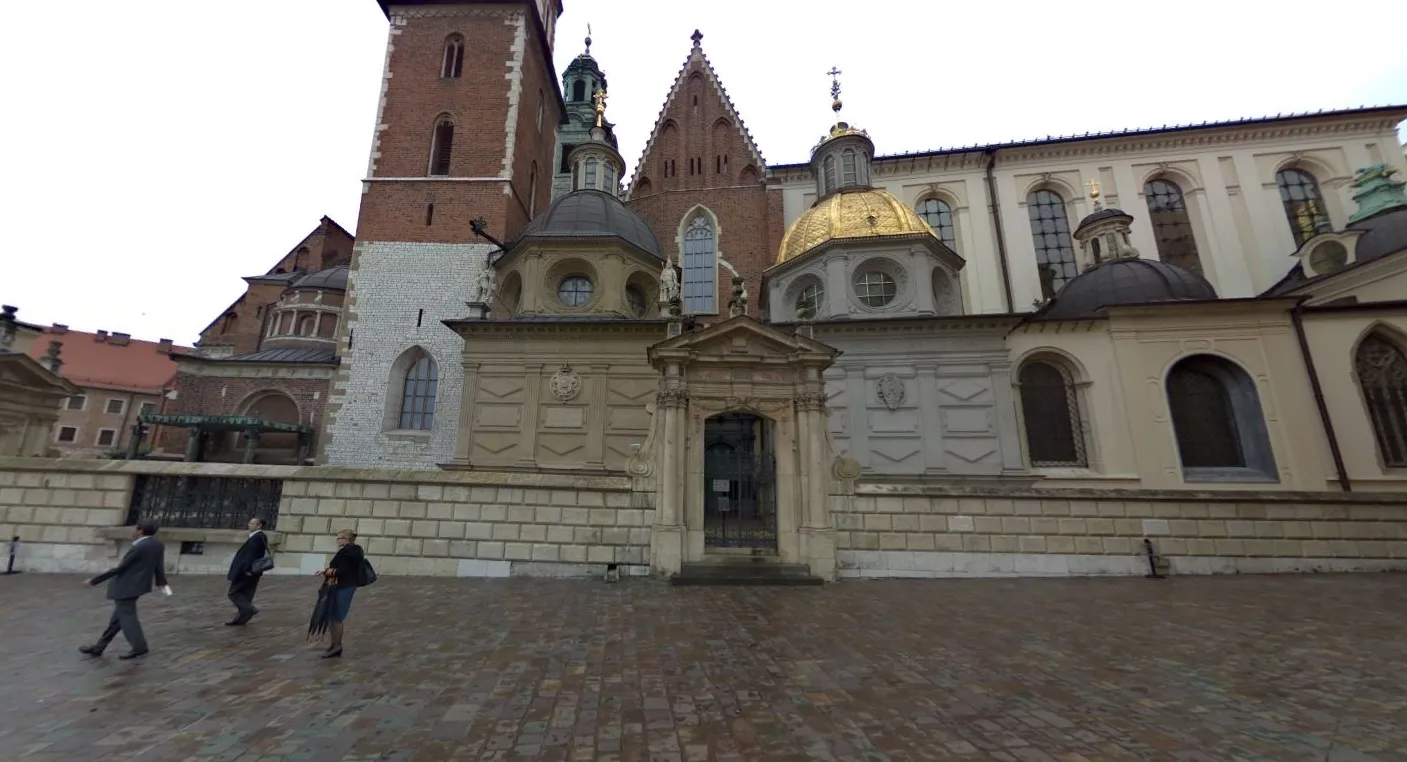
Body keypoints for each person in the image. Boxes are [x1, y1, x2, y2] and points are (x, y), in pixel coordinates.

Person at [79, 520, 169, 660]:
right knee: (117, 620)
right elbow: (159, 566)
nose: (133, 531)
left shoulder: (139, 547)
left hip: (126, 587)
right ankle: (98, 648)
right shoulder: (157, 545)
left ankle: (139, 647)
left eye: (135, 529)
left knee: (128, 619)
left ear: (140, 531)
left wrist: (94, 580)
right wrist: (161, 582)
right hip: (138, 586)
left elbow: (120, 568)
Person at [317, 529, 364, 659]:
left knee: (336, 616)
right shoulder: (354, 550)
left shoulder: (347, 552)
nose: (337, 541)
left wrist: (326, 571)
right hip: (345, 585)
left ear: (346, 539)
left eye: (339, 538)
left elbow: (342, 570)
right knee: (333, 616)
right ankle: (334, 644)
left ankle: (337, 646)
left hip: (344, 586)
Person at [226, 517, 269, 626]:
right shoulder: (260, 536)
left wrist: (246, 570)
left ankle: (250, 610)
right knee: (246, 595)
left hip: (247, 571)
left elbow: (250, 556)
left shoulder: (256, 538)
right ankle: (241, 619)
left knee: (233, 593)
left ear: (259, 526)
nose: (249, 525)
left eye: (252, 523)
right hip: (254, 571)